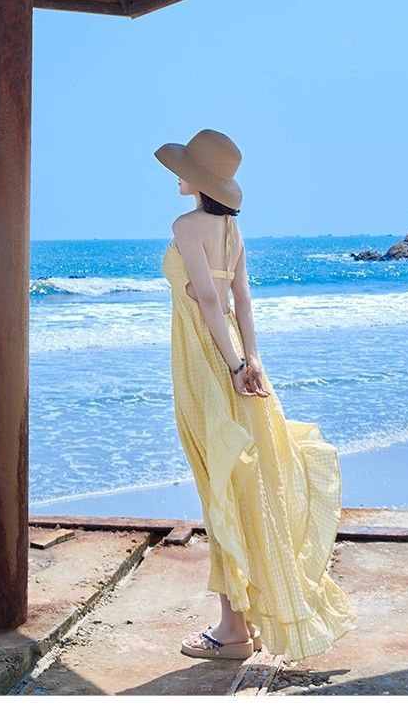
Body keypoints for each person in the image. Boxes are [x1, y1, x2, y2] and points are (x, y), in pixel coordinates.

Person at [155, 128, 358, 661]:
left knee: (220, 484)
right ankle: (242, 620)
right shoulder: (231, 230)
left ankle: (232, 631)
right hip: (235, 354)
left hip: (206, 362)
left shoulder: (185, 226)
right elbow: (241, 300)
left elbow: (206, 301)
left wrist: (234, 365)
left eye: (184, 170)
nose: (177, 177)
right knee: (244, 483)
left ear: (200, 182)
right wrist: (253, 360)